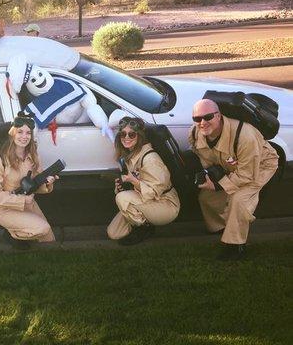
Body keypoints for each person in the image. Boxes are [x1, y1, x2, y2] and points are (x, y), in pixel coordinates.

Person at [189, 99, 278, 261]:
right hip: (232, 164)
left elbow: (247, 175)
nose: (202, 123)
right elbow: (203, 155)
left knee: (239, 200)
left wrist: (218, 185)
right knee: (206, 198)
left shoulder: (245, 135)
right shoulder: (196, 133)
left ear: (219, 116)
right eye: (197, 118)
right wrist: (211, 178)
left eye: (208, 116)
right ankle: (221, 227)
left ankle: (235, 246)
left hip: (260, 165)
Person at [0, 112, 58, 249]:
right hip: (4, 209)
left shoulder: (33, 157)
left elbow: (36, 185)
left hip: (29, 204)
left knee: (49, 240)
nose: (24, 137)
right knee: (43, 229)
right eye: (20, 132)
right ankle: (12, 235)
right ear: (12, 134)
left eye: (28, 133)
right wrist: (23, 200)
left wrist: (47, 183)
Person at [107, 117, 180, 245]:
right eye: (123, 134)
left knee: (122, 199)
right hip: (145, 199)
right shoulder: (130, 154)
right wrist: (122, 187)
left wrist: (134, 182)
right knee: (114, 233)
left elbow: (154, 192)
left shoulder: (150, 159)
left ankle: (144, 228)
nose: (126, 137)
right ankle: (141, 220)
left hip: (165, 204)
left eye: (132, 134)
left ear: (139, 136)